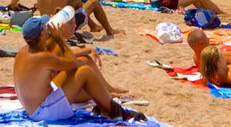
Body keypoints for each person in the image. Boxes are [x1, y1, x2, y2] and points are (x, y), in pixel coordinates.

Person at [13, 15, 143, 122]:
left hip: (33, 108)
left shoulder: (23, 52)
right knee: (85, 71)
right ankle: (114, 111)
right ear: (42, 34)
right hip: (43, 112)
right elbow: (72, 63)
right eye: (45, 29)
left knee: (83, 64)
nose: (48, 31)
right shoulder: (43, 58)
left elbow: (61, 61)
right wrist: (59, 39)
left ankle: (105, 105)